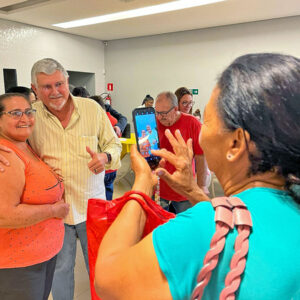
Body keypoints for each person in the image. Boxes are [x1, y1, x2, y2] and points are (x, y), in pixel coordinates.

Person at [94, 53, 300, 300]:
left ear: (236, 143)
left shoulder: (203, 226)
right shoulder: (290, 202)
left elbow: (107, 281)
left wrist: (140, 184)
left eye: (210, 123)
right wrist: (194, 191)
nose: (201, 133)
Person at [29, 58, 122, 300]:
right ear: (35, 89)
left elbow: (114, 145)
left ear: (67, 82)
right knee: (60, 270)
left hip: (92, 206)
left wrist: (104, 156)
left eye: (59, 84)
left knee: (100, 269)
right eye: (46, 87)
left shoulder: (91, 109)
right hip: (55, 210)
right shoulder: (31, 117)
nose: (55, 92)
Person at [0, 93, 69, 300]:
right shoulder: (6, 158)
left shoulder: (25, 145)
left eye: (29, 112)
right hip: (18, 264)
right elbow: (4, 215)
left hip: (39, 258)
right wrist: (53, 210)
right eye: (15, 113)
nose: (25, 119)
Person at [155, 91, 208, 213]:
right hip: (159, 188)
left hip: (185, 190)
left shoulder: (192, 123)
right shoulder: (153, 122)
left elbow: (200, 157)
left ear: (175, 109)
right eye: (157, 112)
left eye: (164, 113)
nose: (160, 117)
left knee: (187, 226)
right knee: (161, 226)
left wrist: (201, 186)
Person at [90, 95, 127, 200]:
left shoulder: (95, 122)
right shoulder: (114, 120)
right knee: (109, 192)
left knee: (99, 197)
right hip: (112, 167)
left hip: (101, 167)